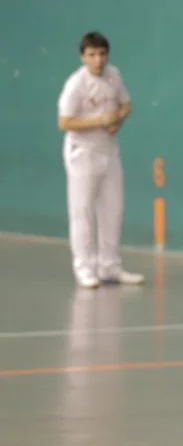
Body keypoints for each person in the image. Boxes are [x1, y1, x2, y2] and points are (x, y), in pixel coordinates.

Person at [57, 31, 144, 289]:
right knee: (82, 212)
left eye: (102, 54)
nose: (98, 60)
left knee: (113, 210)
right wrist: (99, 121)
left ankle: (109, 266)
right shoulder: (76, 85)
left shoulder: (113, 76)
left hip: (109, 152)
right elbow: (64, 122)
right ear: (82, 57)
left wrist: (117, 119)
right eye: (92, 55)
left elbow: (126, 105)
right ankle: (84, 269)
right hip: (82, 153)